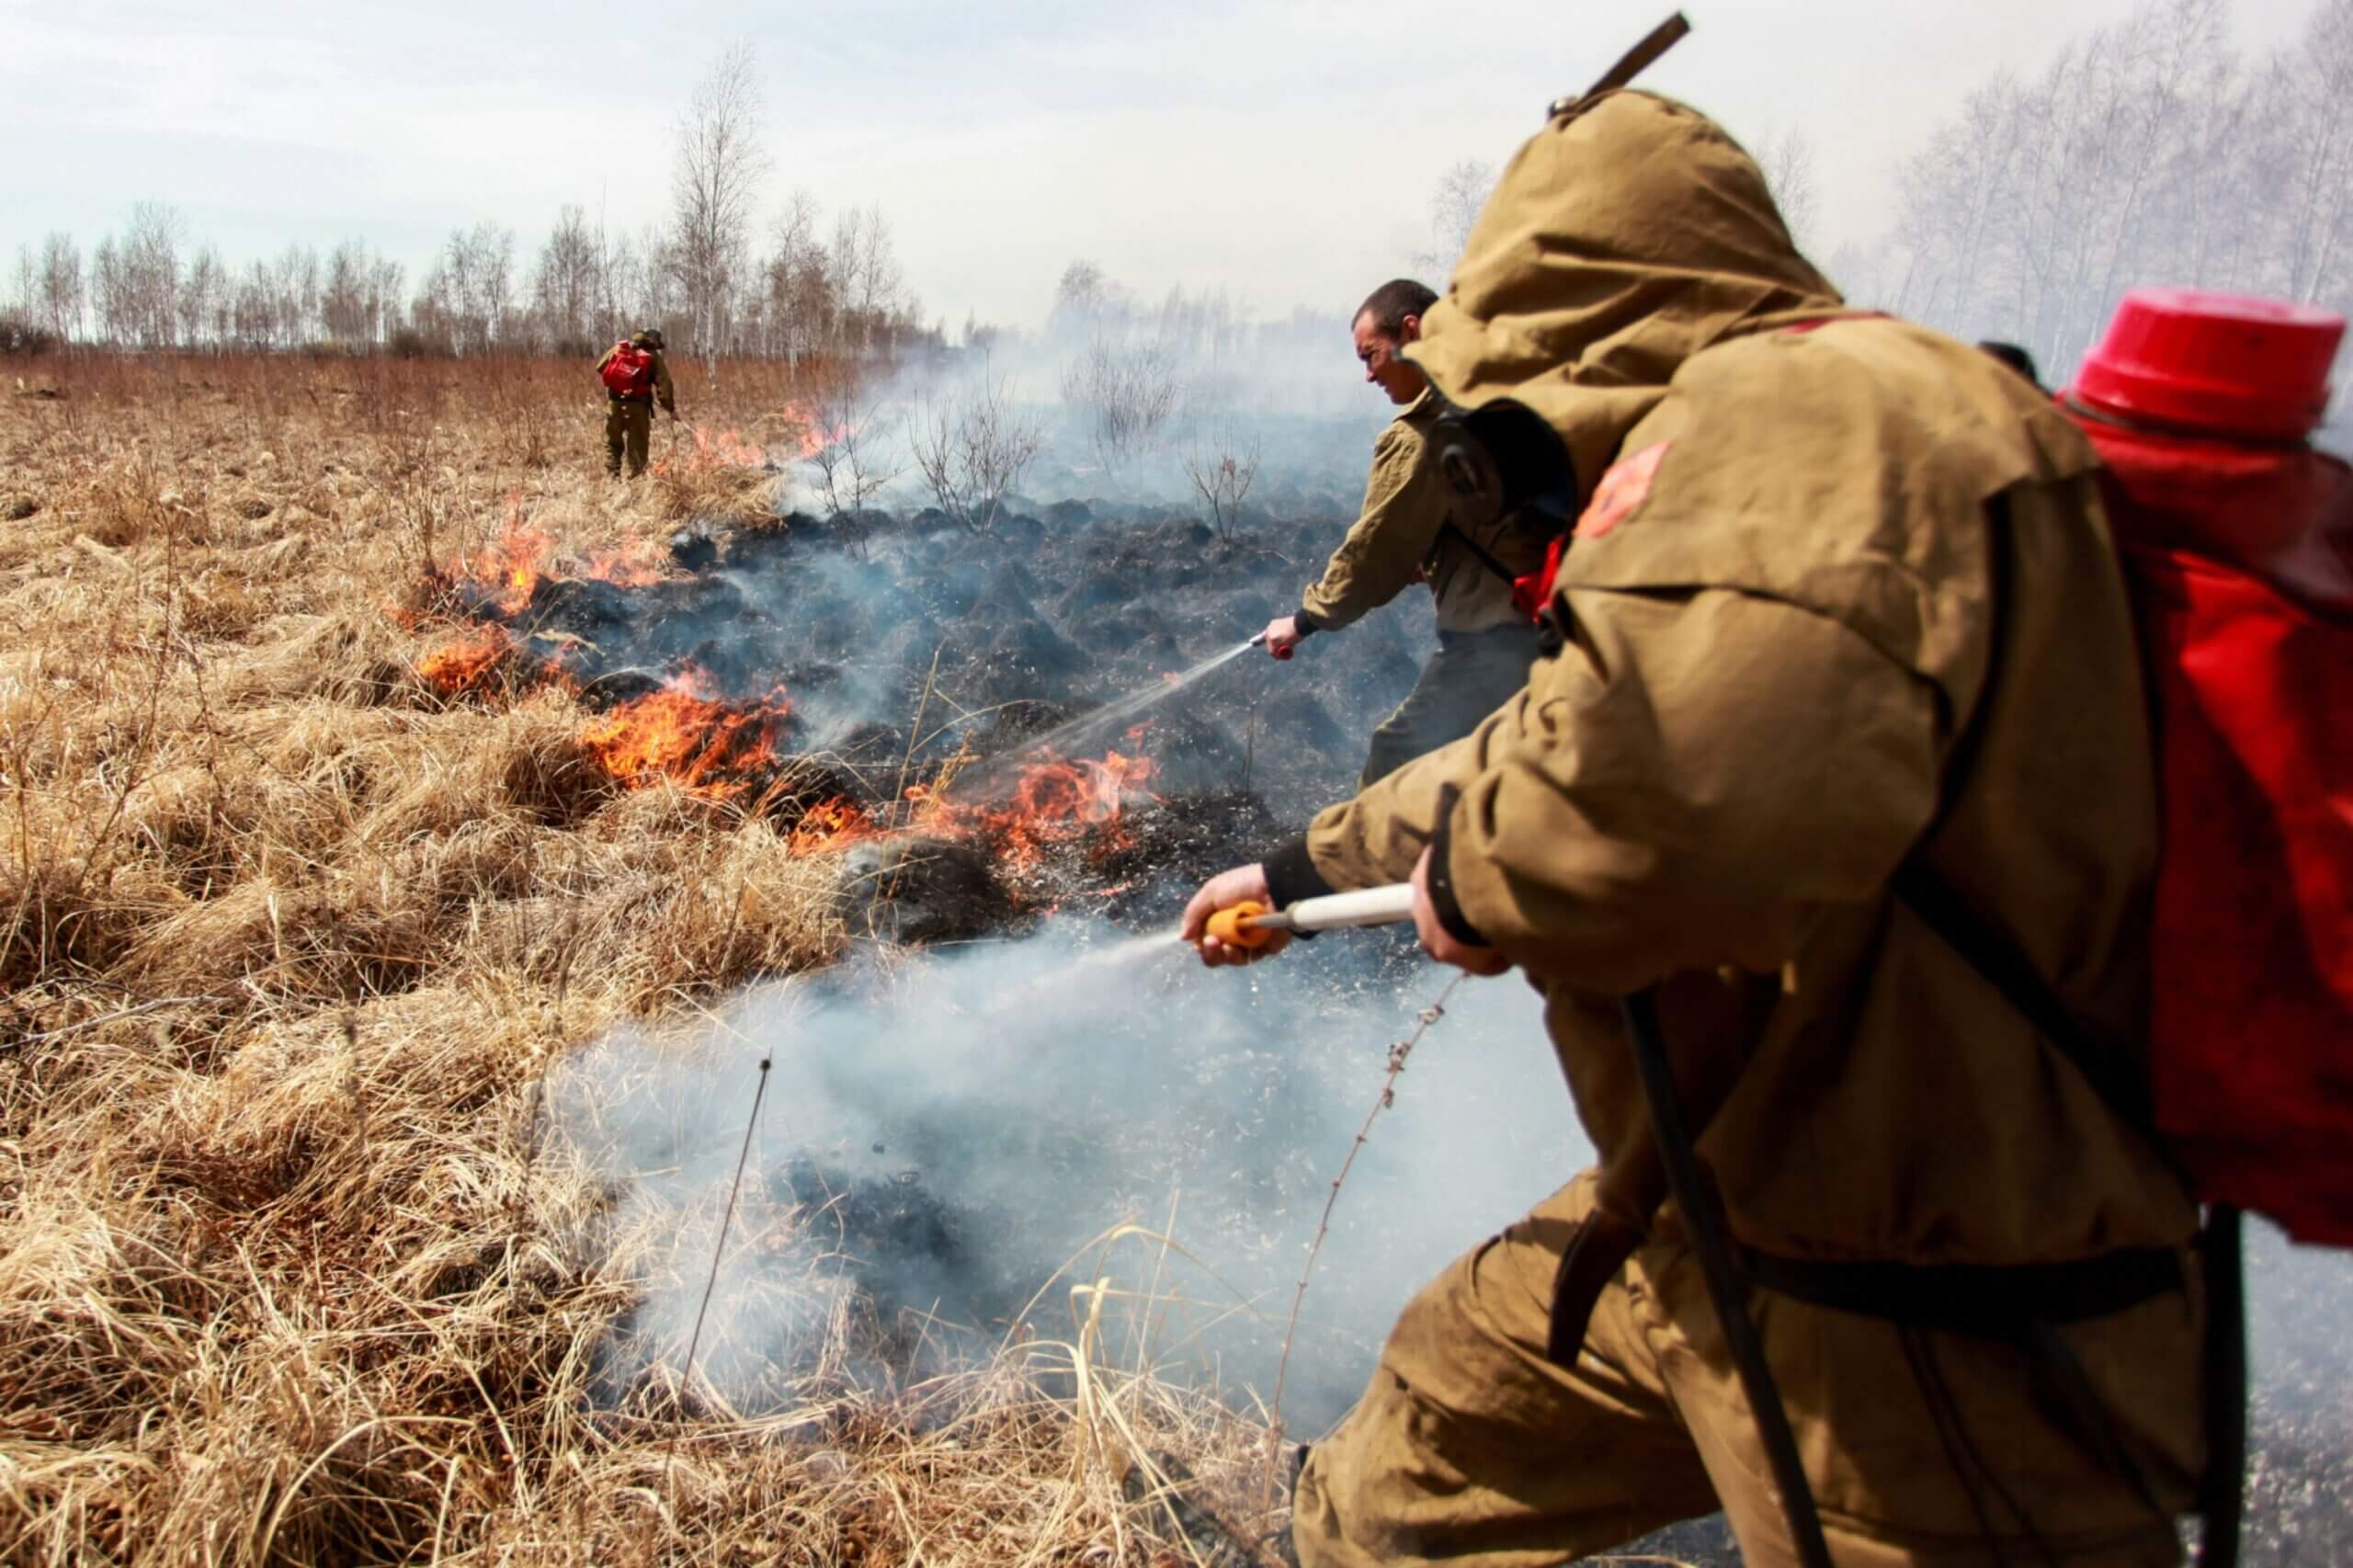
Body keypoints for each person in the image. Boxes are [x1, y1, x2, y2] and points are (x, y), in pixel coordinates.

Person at [1188, 89, 2203, 1567]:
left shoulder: (1812, 430)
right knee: (1437, 1416)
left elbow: (1661, 806)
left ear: (1590, 325)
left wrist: (1482, 881)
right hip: (1727, 1211)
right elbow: (1565, 738)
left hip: (1932, 1311)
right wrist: (1301, 868)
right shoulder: (1786, 442)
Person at [1260, 279, 1548, 788]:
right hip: (1557, 622)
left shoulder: (1424, 433)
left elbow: (1374, 553)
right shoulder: (1495, 391)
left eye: (1370, 355)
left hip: (1498, 636)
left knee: (1395, 764)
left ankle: (1374, 844)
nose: (1369, 375)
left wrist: (1303, 622)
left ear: (1411, 333)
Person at [597, 327, 676, 478]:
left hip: (614, 405)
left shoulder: (620, 348)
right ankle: (636, 481)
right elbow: (665, 384)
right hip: (638, 407)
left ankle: (612, 477)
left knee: (612, 443)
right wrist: (670, 407)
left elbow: (600, 367)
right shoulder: (653, 355)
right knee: (638, 446)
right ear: (654, 342)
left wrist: (620, 379)